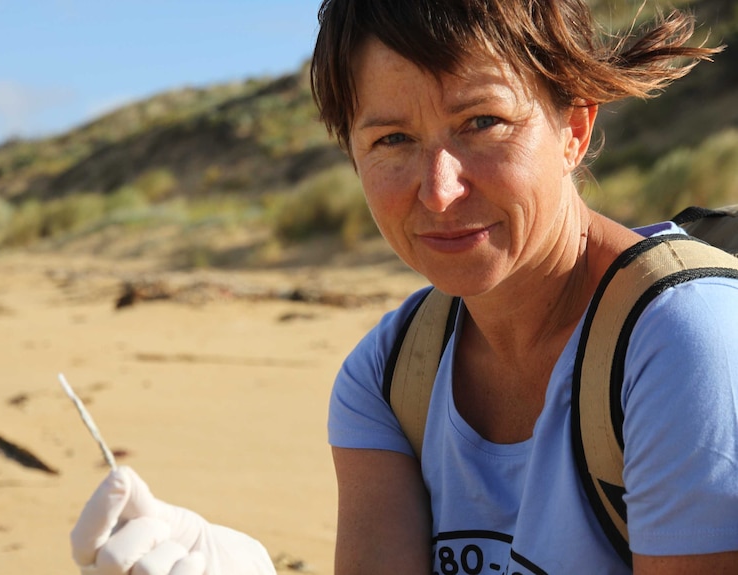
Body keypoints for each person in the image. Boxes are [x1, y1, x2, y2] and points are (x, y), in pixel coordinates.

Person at [69, 1, 738, 573]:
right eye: (393, 138)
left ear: (576, 127)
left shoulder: (681, 342)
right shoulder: (390, 378)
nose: (439, 190)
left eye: (482, 122)